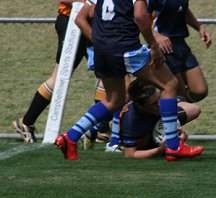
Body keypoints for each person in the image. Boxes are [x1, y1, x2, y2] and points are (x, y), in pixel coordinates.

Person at [54, 0, 204, 161]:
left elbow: (80, 18)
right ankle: (173, 146)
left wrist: (99, 41)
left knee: (114, 100)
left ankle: (70, 136)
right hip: (125, 47)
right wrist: (153, 46)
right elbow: (140, 16)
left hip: (103, 52)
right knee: (170, 84)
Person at [12, 0, 92, 143]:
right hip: (72, 22)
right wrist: (92, 5)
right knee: (60, 76)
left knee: (109, 76)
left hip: (94, 24)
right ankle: (26, 122)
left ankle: (101, 130)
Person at [75, 0, 131, 151]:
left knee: (119, 97)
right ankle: (113, 141)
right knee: (123, 94)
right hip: (110, 48)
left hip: (118, 46)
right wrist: (99, 40)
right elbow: (86, 15)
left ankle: (95, 129)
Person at [120, 79, 204, 159]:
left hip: (156, 125)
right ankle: (167, 143)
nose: (160, 104)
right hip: (146, 145)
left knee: (193, 109)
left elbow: (184, 103)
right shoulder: (130, 121)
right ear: (140, 106)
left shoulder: (162, 100)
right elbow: (130, 154)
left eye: (159, 98)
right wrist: (159, 150)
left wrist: (176, 133)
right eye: (153, 104)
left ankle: (171, 138)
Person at [148, 0, 212, 102]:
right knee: (178, 92)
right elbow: (139, 19)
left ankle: (165, 111)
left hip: (181, 45)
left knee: (200, 91)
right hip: (164, 48)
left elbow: (183, 10)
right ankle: (160, 113)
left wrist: (199, 26)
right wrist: (157, 36)